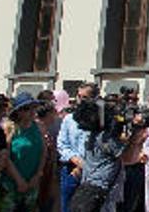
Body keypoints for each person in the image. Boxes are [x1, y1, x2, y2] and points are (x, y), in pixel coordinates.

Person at [0, 93, 46, 212]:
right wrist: (18, 180)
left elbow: (43, 152)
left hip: (32, 181)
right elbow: (6, 156)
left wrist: (37, 175)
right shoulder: (10, 128)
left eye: (33, 107)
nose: (31, 111)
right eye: (26, 108)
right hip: (11, 183)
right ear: (18, 111)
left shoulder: (39, 127)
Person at [57, 83, 97, 212]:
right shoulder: (69, 119)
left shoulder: (100, 120)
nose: (80, 100)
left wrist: (86, 166)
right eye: (79, 96)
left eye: (85, 97)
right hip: (71, 170)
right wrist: (77, 161)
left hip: (93, 172)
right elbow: (62, 144)